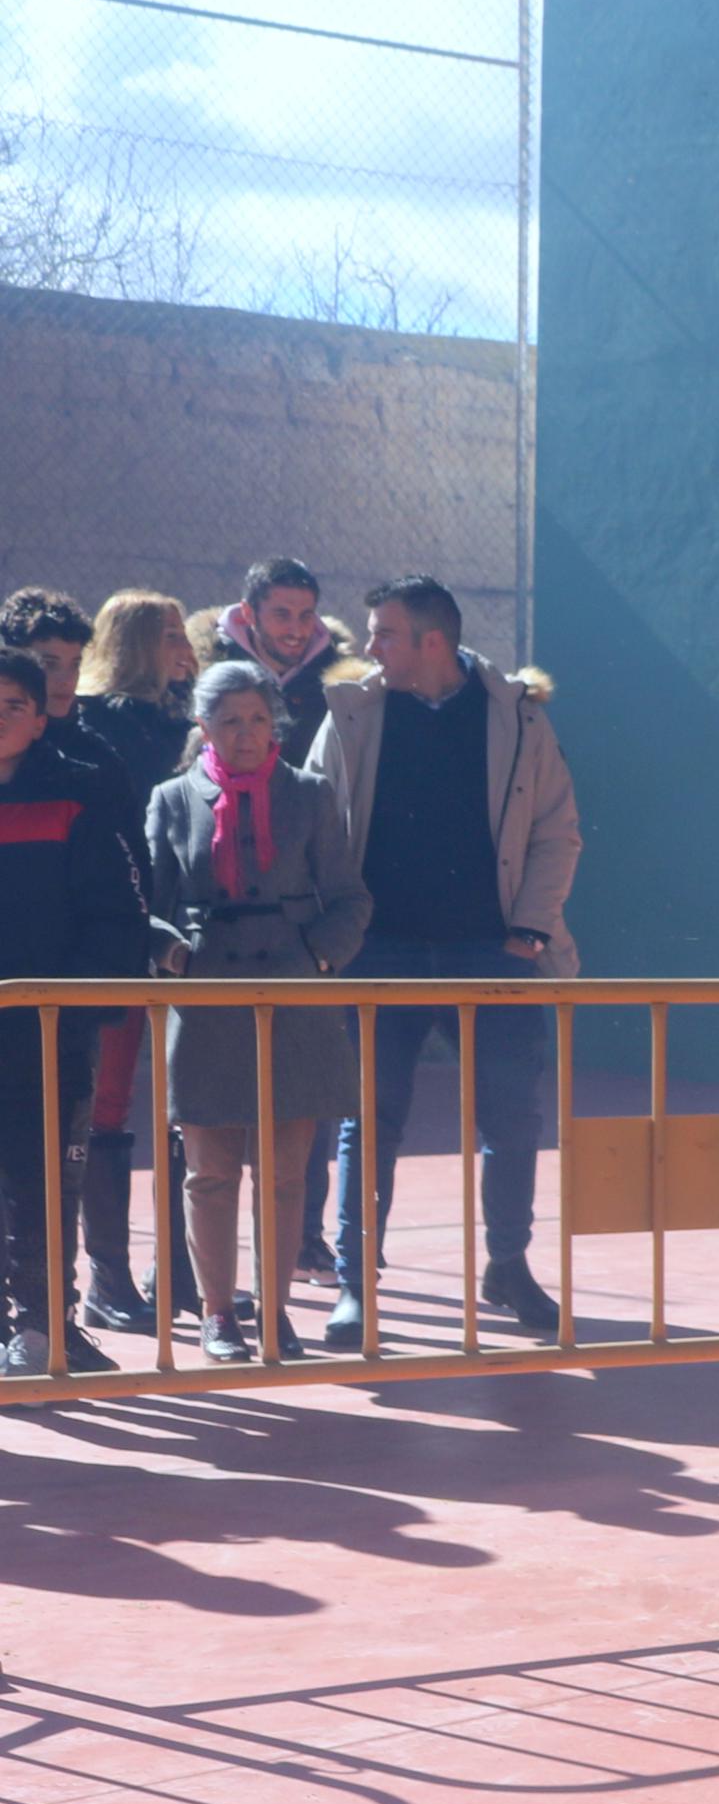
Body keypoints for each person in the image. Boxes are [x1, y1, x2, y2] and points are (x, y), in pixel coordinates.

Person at [305, 576, 582, 1347]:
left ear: (432, 641)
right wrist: (334, 940)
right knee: (367, 1119)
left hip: (490, 949)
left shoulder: (517, 716)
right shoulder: (354, 712)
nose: (368, 648)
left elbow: (557, 831)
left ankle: (509, 1265)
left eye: (383, 633)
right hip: (377, 951)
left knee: (512, 1116)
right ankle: (356, 1286)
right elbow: (321, 826)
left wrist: (527, 933)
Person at [144, 660, 367, 1364]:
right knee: (209, 1169)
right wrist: (175, 956)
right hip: (207, 1001)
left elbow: (350, 898)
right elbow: (147, 904)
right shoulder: (173, 798)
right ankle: (217, 1314)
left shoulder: (309, 794)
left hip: (294, 999)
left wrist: (319, 960)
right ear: (204, 726)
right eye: (231, 721)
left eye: (260, 720)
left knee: (283, 1170)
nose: (247, 735)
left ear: (277, 725)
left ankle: (275, 1312)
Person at [0, 650, 151, 1374]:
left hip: (49, 1033)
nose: (1, 717)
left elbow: (117, 914)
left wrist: (76, 1002)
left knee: (45, 1179)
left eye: (14, 705)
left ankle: (41, 1325)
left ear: (39, 718)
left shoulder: (81, 793)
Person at [68, 589, 198, 1333]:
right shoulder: (101, 726)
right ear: (135, 642)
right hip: (122, 939)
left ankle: (178, 1269)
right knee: (109, 1102)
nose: (185, 647)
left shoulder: (184, 722)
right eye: (170, 633)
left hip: (185, 938)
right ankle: (108, 1280)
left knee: (188, 1106)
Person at [212, 558, 345, 768]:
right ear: (248, 613)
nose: (297, 630)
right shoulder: (208, 671)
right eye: (282, 615)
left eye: (305, 616)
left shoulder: (338, 687)